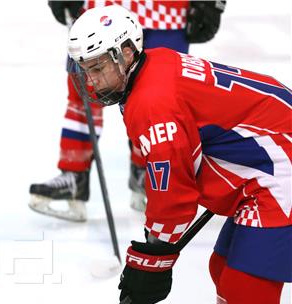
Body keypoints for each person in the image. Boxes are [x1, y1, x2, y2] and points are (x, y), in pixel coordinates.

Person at [67, 5, 289, 304]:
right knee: (223, 269)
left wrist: (149, 262)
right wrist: (152, 259)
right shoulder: (156, 67)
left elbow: (173, 195)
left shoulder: (151, 99)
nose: (94, 79)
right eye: (86, 69)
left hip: (281, 170)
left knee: (250, 288)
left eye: (101, 64)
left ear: (128, 52)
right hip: (268, 163)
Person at [29, 0, 226, 222]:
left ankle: (148, 171)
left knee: (160, 94)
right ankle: (74, 174)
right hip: (101, 8)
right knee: (86, 89)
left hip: (167, 11)